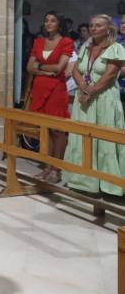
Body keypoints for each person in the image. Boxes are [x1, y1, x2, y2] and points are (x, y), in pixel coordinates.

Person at [63, 14, 125, 195]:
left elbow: (109, 75)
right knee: (83, 137)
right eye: (91, 25)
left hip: (104, 99)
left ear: (108, 29)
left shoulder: (116, 48)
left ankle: (108, 183)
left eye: (98, 25)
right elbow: (75, 69)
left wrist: (89, 92)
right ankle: (82, 179)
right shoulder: (86, 47)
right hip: (84, 100)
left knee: (104, 138)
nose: (93, 28)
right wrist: (83, 87)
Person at [26, 11, 74, 183]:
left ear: (59, 24)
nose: (48, 23)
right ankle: (47, 167)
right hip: (39, 88)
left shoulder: (66, 42)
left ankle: (56, 170)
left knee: (57, 130)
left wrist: (39, 67)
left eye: (53, 20)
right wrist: (45, 69)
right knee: (45, 130)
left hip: (56, 90)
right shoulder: (38, 41)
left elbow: (60, 68)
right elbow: (29, 67)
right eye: (46, 20)